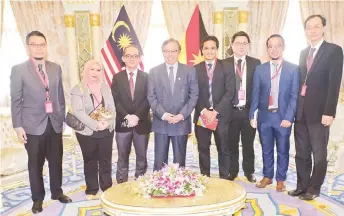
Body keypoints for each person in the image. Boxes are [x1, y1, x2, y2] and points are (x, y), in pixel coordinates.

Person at [10, 31, 72, 214]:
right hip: (32, 126)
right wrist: (17, 126)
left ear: (46, 46)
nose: (38, 47)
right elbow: (16, 100)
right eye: (34, 44)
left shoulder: (55, 68)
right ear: (28, 46)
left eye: (42, 44)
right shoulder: (18, 69)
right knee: (35, 164)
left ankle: (57, 192)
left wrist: (61, 118)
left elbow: (60, 96)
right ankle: (37, 199)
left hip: (54, 123)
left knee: (56, 161)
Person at [289, 15, 344, 200]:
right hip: (301, 112)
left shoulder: (334, 51)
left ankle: (314, 188)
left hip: (321, 113)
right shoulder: (303, 52)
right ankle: (301, 186)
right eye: (309, 27)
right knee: (301, 153)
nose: (312, 30)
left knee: (319, 154)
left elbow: (334, 84)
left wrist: (329, 111)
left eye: (316, 26)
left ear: (323, 28)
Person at [249, 34, 300, 192]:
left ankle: (280, 179)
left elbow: (294, 96)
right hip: (265, 117)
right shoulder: (260, 69)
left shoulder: (293, 69)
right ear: (267, 49)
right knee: (266, 149)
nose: (274, 49)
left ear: (283, 47)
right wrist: (252, 115)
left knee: (283, 150)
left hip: (282, 118)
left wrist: (289, 117)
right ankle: (268, 176)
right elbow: (255, 93)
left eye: (277, 45)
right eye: (270, 46)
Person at [147, 38, 199, 171]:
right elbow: (151, 97)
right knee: (159, 162)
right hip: (161, 122)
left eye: (173, 51)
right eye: (166, 51)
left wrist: (182, 115)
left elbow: (194, 95)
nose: (170, 54)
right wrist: (164, 114)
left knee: (179, 162)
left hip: (181, 122)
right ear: (162, 52)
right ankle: (157, 189)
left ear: (179, 52)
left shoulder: (189, 71)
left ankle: (179, 189)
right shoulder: (154, 71)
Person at [71, 59, 115, 200]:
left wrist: (106, 123)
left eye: (98, 70)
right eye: (92, 69)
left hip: (106, 129)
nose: (95, 72)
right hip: (87, 132)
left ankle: (107, 186)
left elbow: (111, 107)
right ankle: (92, 188)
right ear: (85, 71)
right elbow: (78, 112)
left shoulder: (105, 87)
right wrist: (95, 125)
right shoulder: (78, 89)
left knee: (105, 159)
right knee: (90, 160)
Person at [193, 36, 234, 179]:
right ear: (202, 50)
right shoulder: (195, 69)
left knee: (223, 148)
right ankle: (205, 176)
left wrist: (215, 111)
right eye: (206, 48)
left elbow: (230, 91)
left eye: (212, 48)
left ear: (217, 49)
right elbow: (193, 93)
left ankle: (224, 177)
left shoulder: (227, 66)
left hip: (221, 115)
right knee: (203, 148)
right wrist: (204, 111)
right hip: (202, 114)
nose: (209, 51)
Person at [224, 31, 261, 183]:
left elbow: (258, 88)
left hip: (248, 111)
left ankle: (249, 171)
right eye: (238, 43)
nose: (241, 46)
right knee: (231, 143)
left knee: (248, 144)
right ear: (232, 45)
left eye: (244, 43)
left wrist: (255, 111)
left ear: (248, 46)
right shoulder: (224, 63)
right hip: (230, 111)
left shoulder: (255, 63)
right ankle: (232, 171)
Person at [111, 44, 151, 183]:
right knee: (122, 155)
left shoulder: (147, 77)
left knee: (141, 155)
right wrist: (128, 116)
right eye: (128, 56)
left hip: (142, 123)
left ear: (139, 58)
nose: (132, 59)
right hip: (123, 122)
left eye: (135, 56)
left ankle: (141, 180)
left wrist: (136, 116)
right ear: (123, 58)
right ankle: (122, 181)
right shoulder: (117, 78)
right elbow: (115, 101)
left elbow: (149, 99)